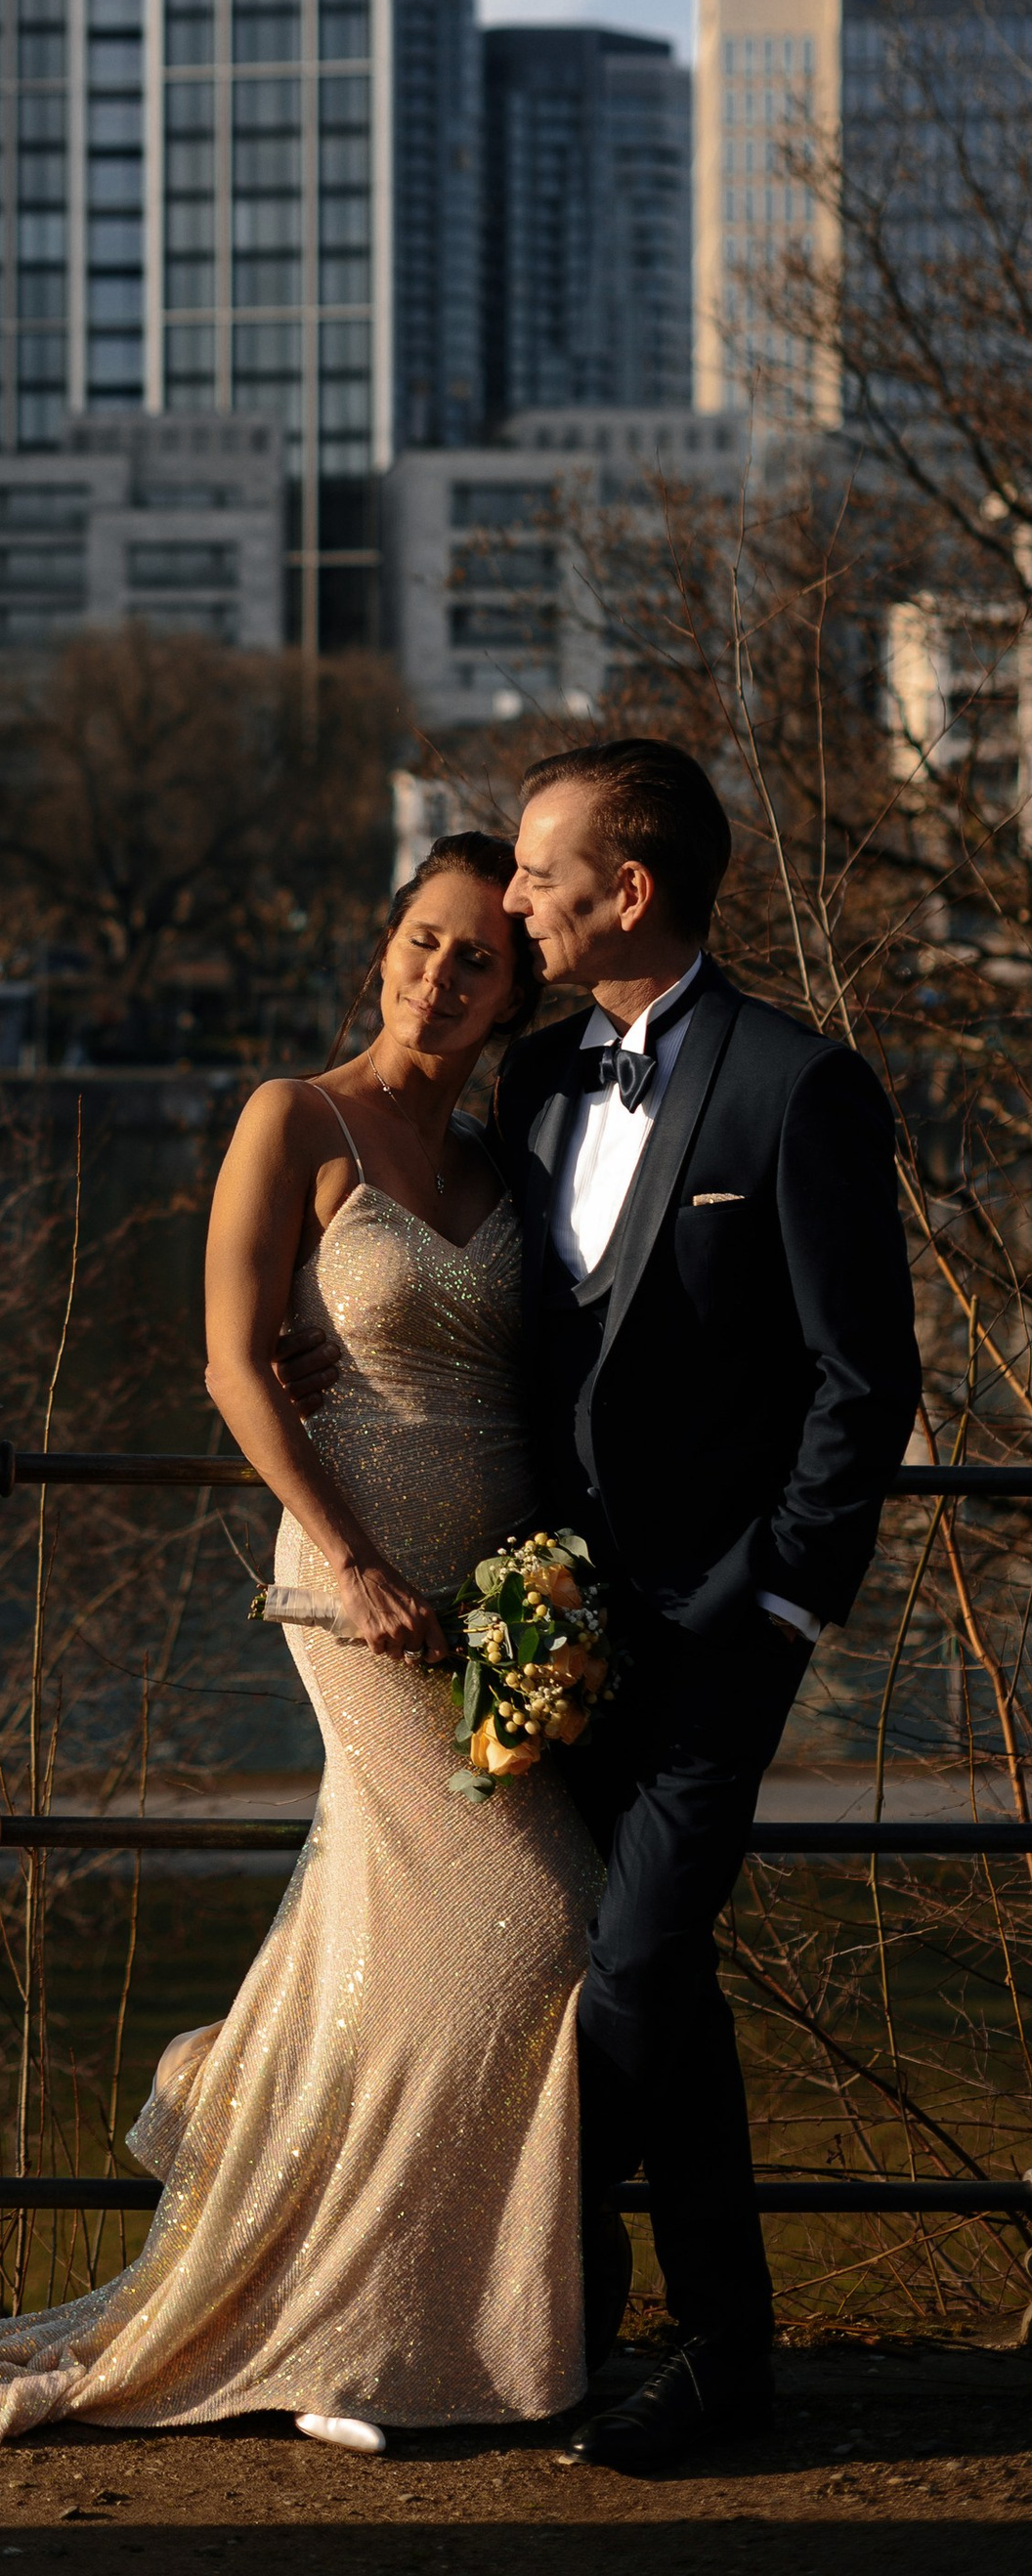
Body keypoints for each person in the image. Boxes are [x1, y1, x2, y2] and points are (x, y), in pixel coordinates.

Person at [0, 833, 600, 2450]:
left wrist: (549, 1588)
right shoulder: (295, 1121)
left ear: (513, 990)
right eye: (423, 940)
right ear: (382, 951)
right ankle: (350, 2316)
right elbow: (232, 1367)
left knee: (425, 1943)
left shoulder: (504, 1164)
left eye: (479, 957)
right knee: (537, 1927)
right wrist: (351, 1563)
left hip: (502, 1603)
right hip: (358, 1597)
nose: (443, 973)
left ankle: (393, 2328)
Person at [482, 737, 919, 2474]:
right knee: (660, 1996)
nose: (514, 900)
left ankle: (617, 2333)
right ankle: (690, 2352)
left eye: (535, 871)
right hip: (547, 1637)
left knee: (638, 1967)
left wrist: (785, 1606)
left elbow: (862, 1380)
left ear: (628, 890)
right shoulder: (527, 1083)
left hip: (722, 1637)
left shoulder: (798, 1085)